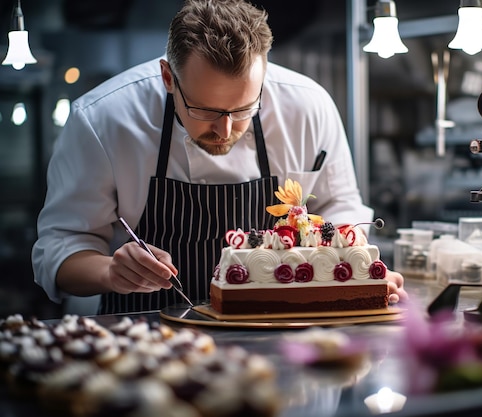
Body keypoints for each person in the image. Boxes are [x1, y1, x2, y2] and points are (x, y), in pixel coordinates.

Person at [32, 0, 407, 314]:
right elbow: (59, 249)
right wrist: (110, 272)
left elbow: (339, 208)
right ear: (167, 77)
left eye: (245, 108)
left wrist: (361, 272)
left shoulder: (308, 107)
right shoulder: (103, 119)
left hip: (280, 330)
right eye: (205, 110)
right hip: (148, 337)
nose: (225, 131)